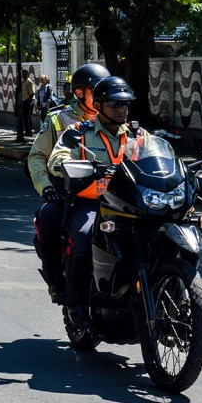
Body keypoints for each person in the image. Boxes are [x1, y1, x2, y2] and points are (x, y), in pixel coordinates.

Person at [47, 75, 143, 330]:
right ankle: (75, 305)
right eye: (114, 104)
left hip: (131, 205)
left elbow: (158, 157)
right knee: (82, 234)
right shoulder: (79, 132)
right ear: (99, 105)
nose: (121, 110)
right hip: (93, 203)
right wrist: (76, 166)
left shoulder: (138, 135)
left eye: (125, 105)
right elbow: (56, 160)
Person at [27, 63, 110, 305]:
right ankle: (58, 283)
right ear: (79, 93)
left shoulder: (114, 119)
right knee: (48, 218)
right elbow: (37, 157)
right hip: (69, 193)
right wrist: (47, 188)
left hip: (112, 194)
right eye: (96, 92)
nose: (103, 99)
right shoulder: (59, 119)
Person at [21, 70, 36, 136]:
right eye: (23, 74)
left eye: (25, 74)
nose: (23, 75)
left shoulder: (29, 82)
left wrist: (29, 101)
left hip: (29, 101)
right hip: (24, 101)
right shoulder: (23, 82)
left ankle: (29, 131)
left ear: (27, 74)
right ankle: (27, 130)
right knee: (25, 117)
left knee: (28, 117)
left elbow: (32, 93)